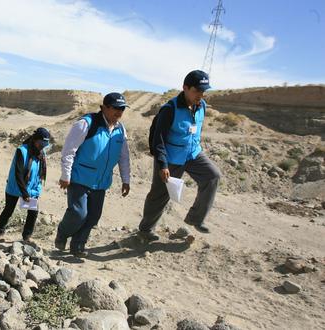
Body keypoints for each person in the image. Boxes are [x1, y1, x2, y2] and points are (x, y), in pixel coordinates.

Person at [138, 70, 221, 242]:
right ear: (185, 88)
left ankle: (195, 218)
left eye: (204, 91)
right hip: (171, 158)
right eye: (197, 90)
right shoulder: (170, 109)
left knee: (212, 176)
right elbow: (158, 139)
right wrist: (163, 165)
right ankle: (145, 230)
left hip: (193, 154)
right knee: (159, 195)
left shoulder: (202, 106)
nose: (201, 94)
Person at [55, 92, 131, 257]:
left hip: (101, 182)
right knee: (78, 213)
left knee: (93, 217)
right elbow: (69, 150)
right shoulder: (86, 124)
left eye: (122, 109)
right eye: (116, 108)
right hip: (80, 178)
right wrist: (65, 175)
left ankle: (78, 246)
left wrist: (126, 179)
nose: (119, 112)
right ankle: (62, 232)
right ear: (104, 107)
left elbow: (124, 157)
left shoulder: (120, 129)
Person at [0, 127, 51, 242]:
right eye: (41, 143)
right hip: (15, 187)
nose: (42, 146)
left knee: (33, 212)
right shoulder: (22, 151)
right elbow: (18, 173)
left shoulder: (41, 153)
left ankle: (26, 237)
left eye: (45, 144)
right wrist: (24, 193)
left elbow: (38, 174)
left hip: (30, 189)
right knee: (9, 210)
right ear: (35, 140)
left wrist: (35, 190)